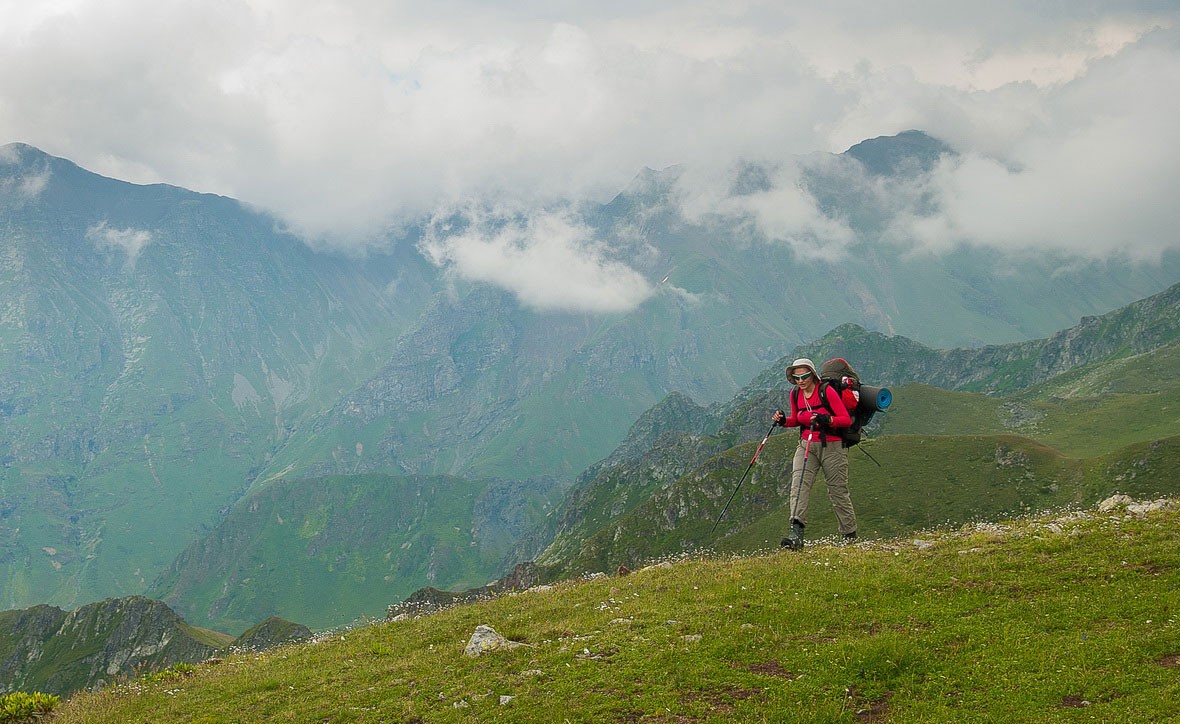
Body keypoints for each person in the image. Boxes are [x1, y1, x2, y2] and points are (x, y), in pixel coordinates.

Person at [771, 357, 857, 550]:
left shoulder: (826, 391)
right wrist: (784, 420)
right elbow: (797, 419)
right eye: (796, 377)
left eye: (804, 376)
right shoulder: (795, 395)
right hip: (806, 444)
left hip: (832, 447)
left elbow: (845, 419)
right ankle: (796, 535)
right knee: (799, 485)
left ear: (812, 374)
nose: (800, 380)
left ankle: (849, 536)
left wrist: (828, 420)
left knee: (838, 492)